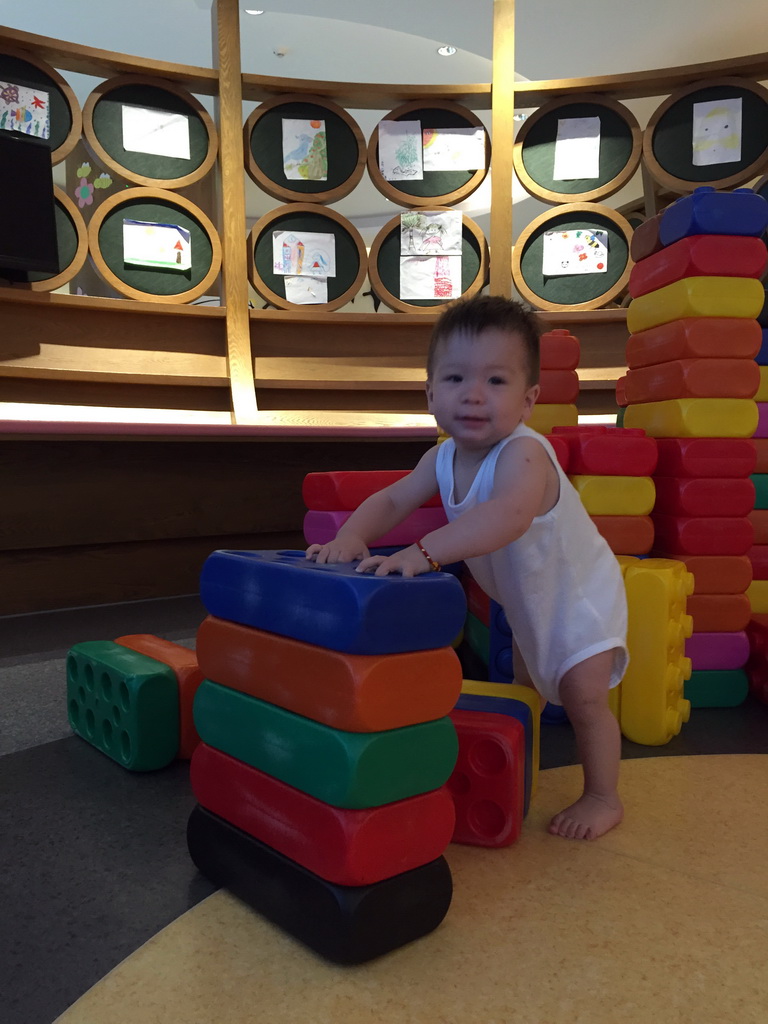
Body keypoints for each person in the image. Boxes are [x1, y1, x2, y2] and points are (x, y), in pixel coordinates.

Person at [306, 295, 628, 841]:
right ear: (431, 393)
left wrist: (423, 551)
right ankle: (523, 760)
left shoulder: (525, 455)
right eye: (456, 378)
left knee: (583, 697)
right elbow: (392, 499)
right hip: (529, 598)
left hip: (581, 598)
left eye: (496, 382)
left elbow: (507, 516)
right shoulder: (441, 458)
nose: (474, 394)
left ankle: (603, 796)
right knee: (531, 687)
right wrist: (352, 535)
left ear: (528, 400)